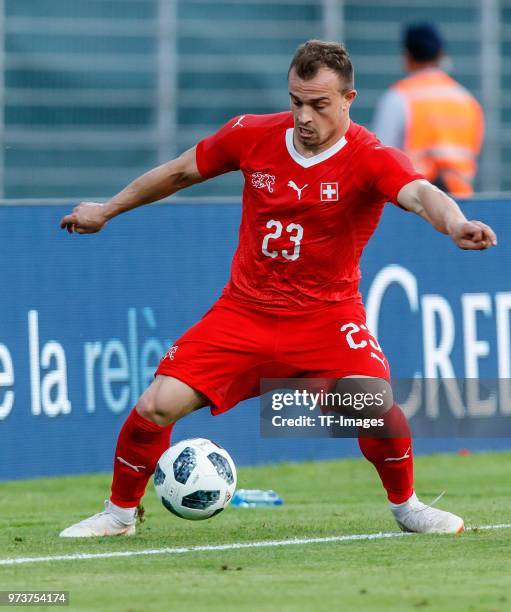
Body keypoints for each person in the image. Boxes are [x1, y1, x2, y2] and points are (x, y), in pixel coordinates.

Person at [59, 40, 496, 538]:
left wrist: (456, 223)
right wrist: (106, 209)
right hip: (244, 312)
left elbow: (421, 194)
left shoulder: (370, 156)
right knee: (156, 404)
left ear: (349, 98)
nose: (304, 116)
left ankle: (408, 507)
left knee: (375, 406)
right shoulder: (252, 134)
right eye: (296, 101)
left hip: (328, 317)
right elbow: (180, 171)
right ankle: (119, 515)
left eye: (319, 104)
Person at [372, 23, 484, 197]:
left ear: (407, 57)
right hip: (462, 206)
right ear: (441, 55)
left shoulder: (399, 97)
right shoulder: (467, 101)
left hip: (416, 203)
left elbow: (380, 159)